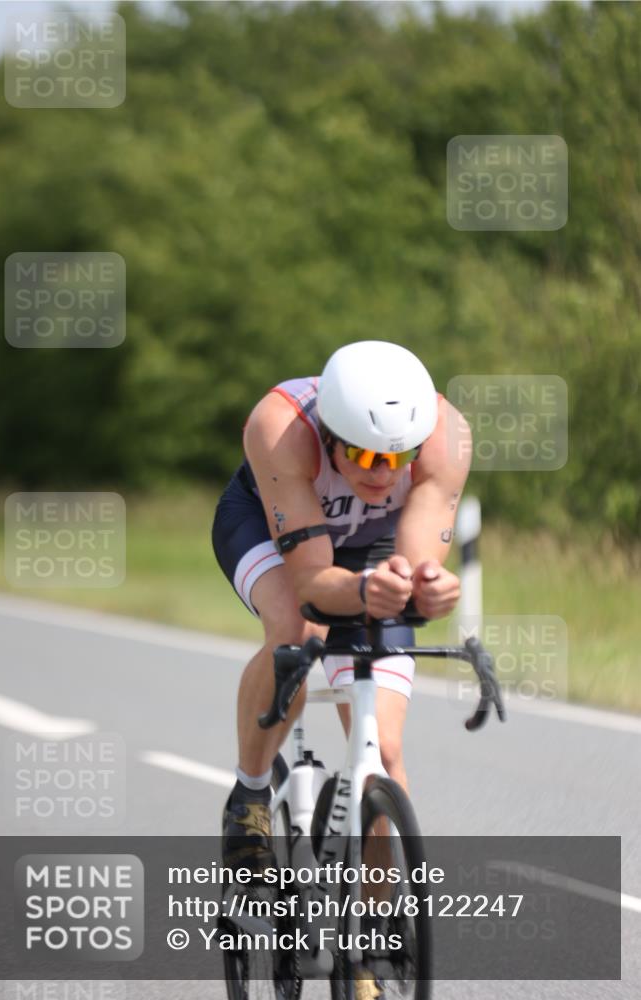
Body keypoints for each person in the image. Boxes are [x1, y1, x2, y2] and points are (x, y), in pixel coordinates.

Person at [211, 340, 471, 998]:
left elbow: (414, 568)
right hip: (271, 534)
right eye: (362, 455)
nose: (383, 473)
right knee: (297, 630)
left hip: (371, 543)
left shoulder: (444, 437)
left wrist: (430, 591)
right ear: (329, 433)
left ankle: (374, 931)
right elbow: (310, 584)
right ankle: (248, 795)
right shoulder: (279, 430)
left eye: (398, 458)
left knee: (383, 750)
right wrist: (360, 594)